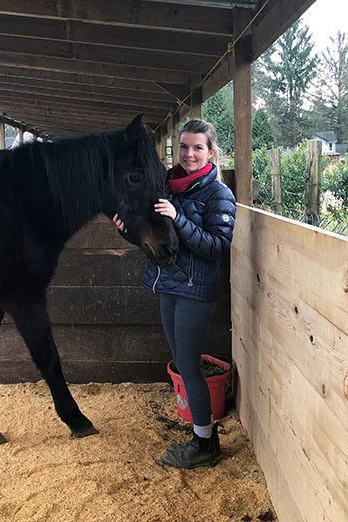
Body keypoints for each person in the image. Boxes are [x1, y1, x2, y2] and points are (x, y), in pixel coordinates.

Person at [114, 118, 236, 468]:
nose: (189, 154)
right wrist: (126, 231)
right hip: (168, 283)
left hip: (195, 290)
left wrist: (179, 219)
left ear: (211, 152)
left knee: (188, 363)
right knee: (180, 360)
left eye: (198, 147)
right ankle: (200, 432)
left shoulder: (218, 194)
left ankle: (205, 443)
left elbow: (217, 247)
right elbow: (156, 238)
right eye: (184, 147)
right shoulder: (167, 185)